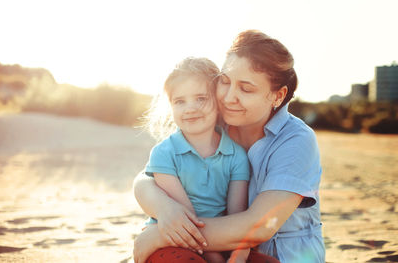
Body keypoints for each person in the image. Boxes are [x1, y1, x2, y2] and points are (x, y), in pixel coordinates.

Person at [133, 30, 325, 263]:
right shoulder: (216, 120)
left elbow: (260, 226)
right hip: (212, 252)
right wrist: (165, 210)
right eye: (224, 81)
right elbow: (147, 178)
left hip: (281, 256)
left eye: (245, 89)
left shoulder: (296, 140)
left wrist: (163, 235)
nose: (228, 97)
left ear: (278, 96)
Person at [139, 57, 254, 263]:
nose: (190, 108)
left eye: (200, 98)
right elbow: (187, 218)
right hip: (171, 238)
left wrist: (238, 256)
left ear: (219, 102)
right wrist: (216, 259)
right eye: (179, 101)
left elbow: (237, 218)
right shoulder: (164, 153)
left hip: (220, 241)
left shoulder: (237, 156)